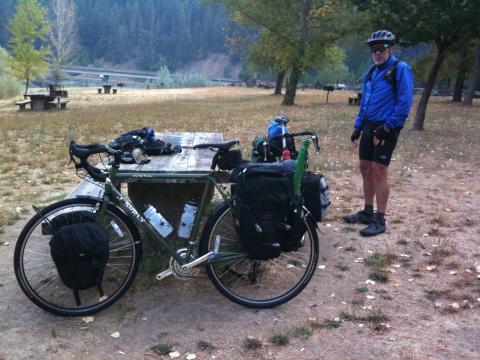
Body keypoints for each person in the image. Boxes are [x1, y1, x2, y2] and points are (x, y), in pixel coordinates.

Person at [343, 30, 414, 236]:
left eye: (381, 49)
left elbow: (404, 102)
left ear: (391, 48)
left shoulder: (400, 69)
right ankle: (367, 212)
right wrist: (358, 126)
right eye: (373, 50)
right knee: (365, 168)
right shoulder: (372, 72)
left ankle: (380, 220)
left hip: (387, 127)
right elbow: (365, 102)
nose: (377, 53)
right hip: (369, 125)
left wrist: (388, 127)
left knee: (378, 170)